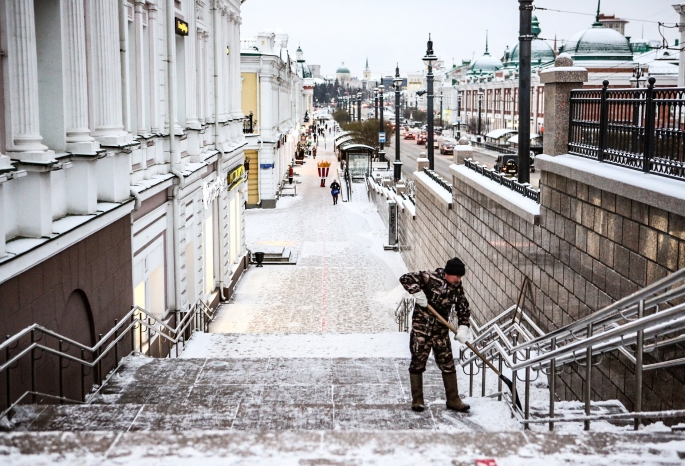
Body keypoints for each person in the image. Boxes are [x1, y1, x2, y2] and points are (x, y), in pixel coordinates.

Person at [399, 258, 473, 413]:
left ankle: (453, 400)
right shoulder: (429, 277)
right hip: (421, 331)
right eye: (456, 277)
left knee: (448, 365)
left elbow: (463, 308)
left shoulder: (457, 288)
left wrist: (463, 327)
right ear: (447, 273)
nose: (458, 280)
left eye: (460, 277)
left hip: (440, 332)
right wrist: (417, 292)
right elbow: (405, 278)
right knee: (417, 364)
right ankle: (417, 400)